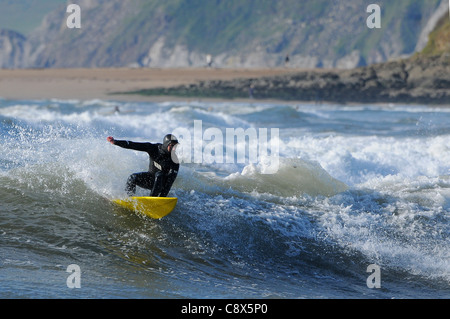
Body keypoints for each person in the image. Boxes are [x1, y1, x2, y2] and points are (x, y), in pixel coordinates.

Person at [107, 134, 179, 197]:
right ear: (166, 144)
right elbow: (133, 145)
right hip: (151, 179)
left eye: (175, 146)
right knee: (132, 177)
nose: (174, 148)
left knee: (159, 174)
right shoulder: (154, 148)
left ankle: (152, 199)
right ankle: (130, 199)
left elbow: (169, 183)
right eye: (172, 145)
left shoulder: (174, 160)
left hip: (162, 184)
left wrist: (162, 199)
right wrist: (116, 142)